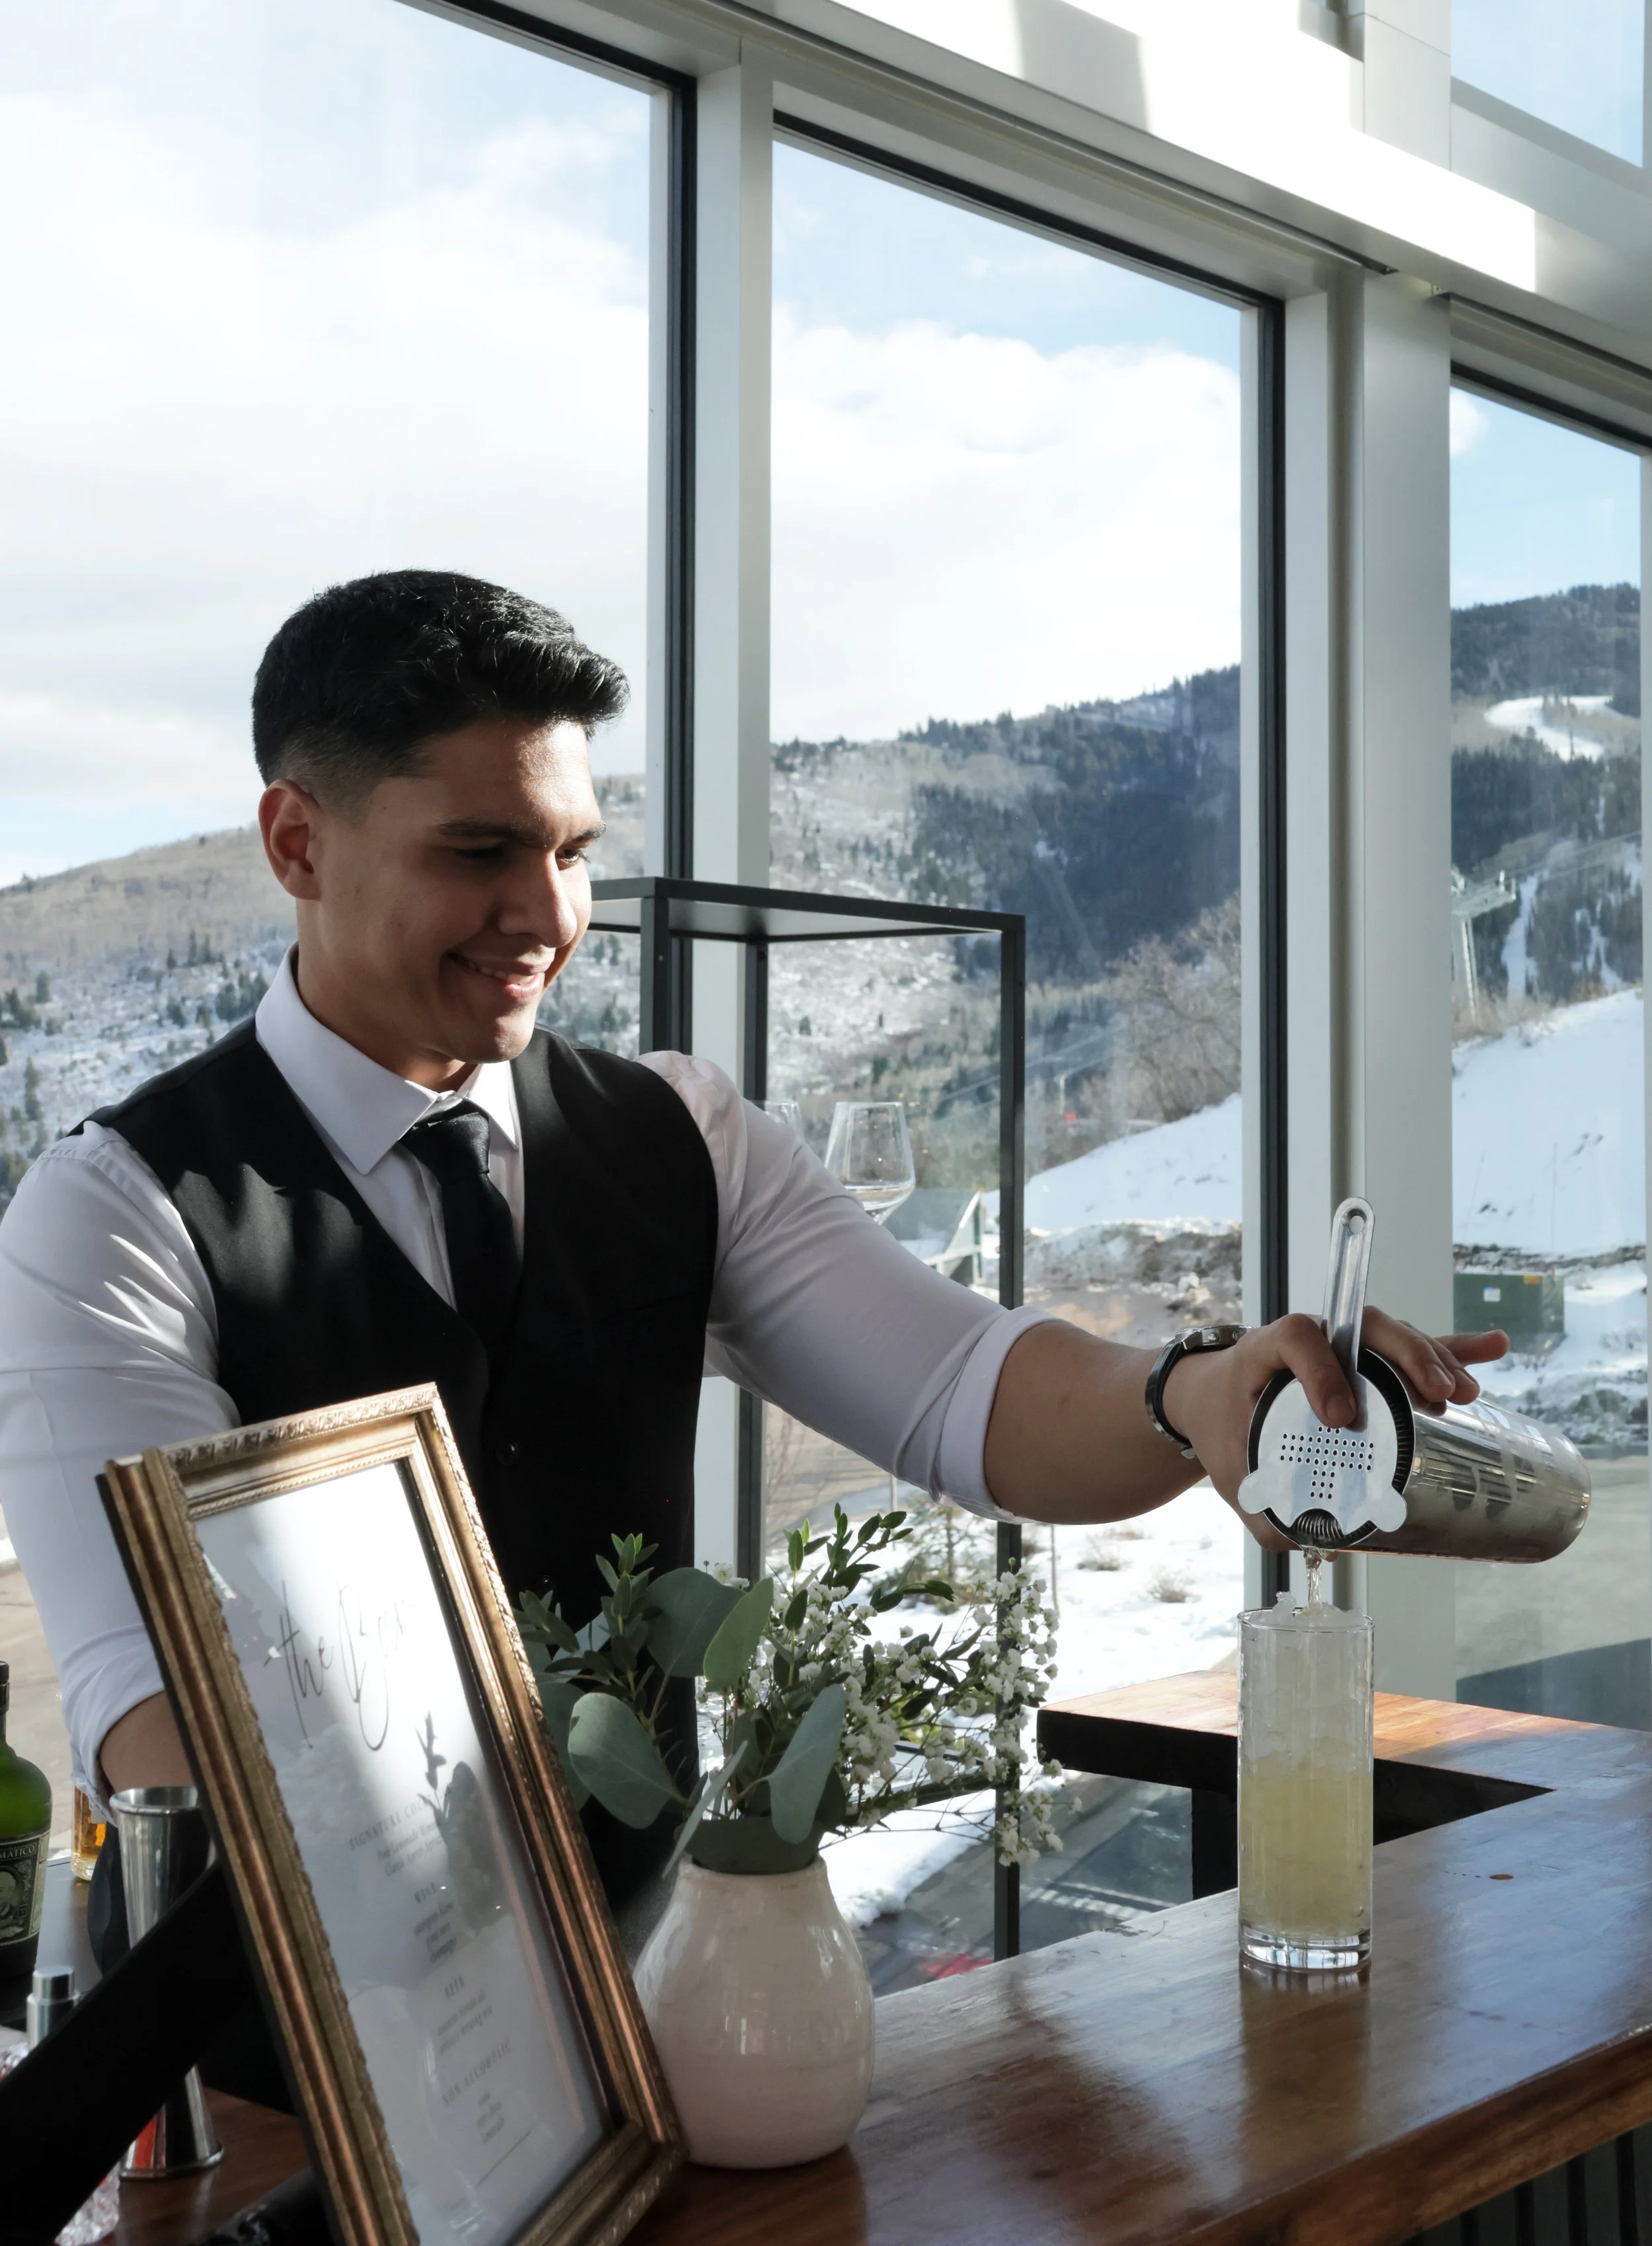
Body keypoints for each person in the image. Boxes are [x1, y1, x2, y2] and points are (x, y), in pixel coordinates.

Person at [0, 570, 1503, 1921]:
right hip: (278, 2067)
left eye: (574, 852)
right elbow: (160, 1723)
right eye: (480, 852)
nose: (544, 913)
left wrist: (1201, 1390)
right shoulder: (119, 1211)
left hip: (641, 2007)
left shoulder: (678, 1136)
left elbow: (971, 1396)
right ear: (295, 843)